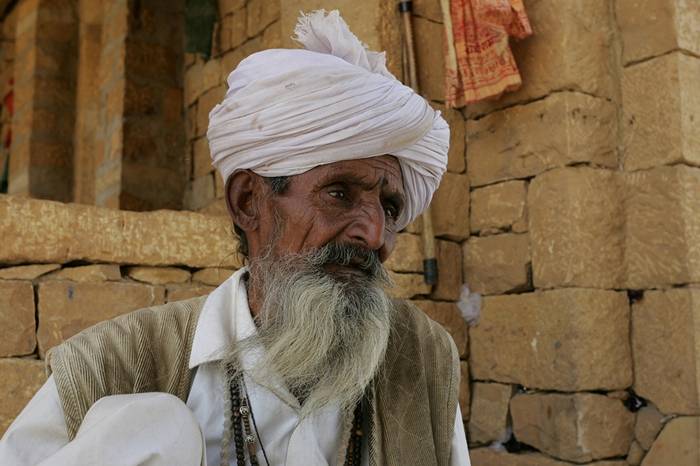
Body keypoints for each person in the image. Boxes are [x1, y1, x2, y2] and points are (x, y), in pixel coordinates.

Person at [0, 10, 471, 466]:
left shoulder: (424, 358)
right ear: (249, 201)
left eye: (389, 208)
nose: (374, 235)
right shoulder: (113, 365)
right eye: (339, 193)